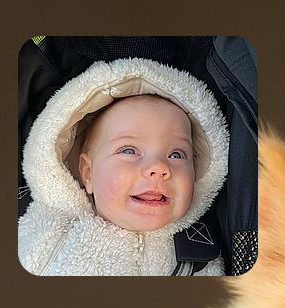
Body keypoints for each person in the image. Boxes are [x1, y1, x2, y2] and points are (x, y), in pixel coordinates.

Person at [18, 57, 229, 276]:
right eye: (129, 150)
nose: (159, 167)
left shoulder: (199, 258)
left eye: (176, 154)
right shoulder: (41, 231)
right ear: (88, 174)